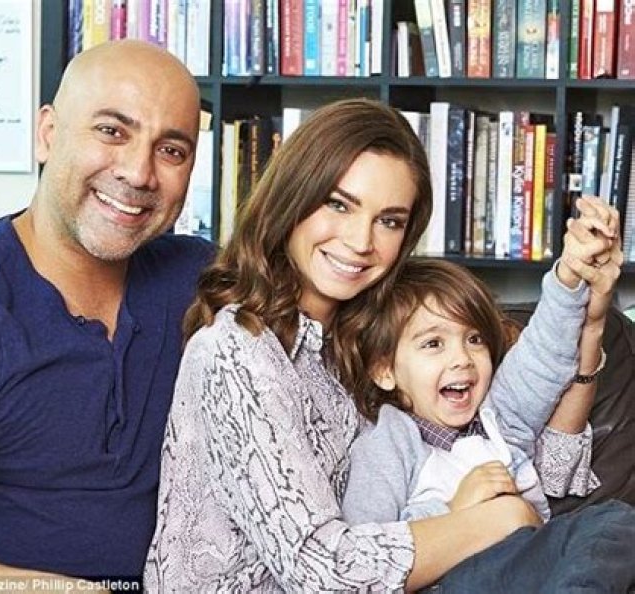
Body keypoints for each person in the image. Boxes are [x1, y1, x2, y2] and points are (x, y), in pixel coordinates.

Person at [145, 98, 612, 592]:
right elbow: (320, 574)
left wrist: (589, 317)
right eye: (339, 204)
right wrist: (494, 519)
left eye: (389, 220)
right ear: (292, 199)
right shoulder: (235, 351)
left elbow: (545, 464)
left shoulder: (378, 342)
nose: (360, 241)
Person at [0, 40, 214, 583]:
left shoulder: (201, 282)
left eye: (171, 150)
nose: (139, 173)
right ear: (48, 133)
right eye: (112, 131)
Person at [341, 198, 635, 592]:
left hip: (533, 567)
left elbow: (544, 352)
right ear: (385, 371)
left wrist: (569, 275)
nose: (462, 358)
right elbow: (366, 551)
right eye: (433, 344)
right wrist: (454, 510)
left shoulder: (499, 415)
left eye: (474, 339)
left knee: (614, 521)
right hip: (452, 580)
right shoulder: (386, 445)